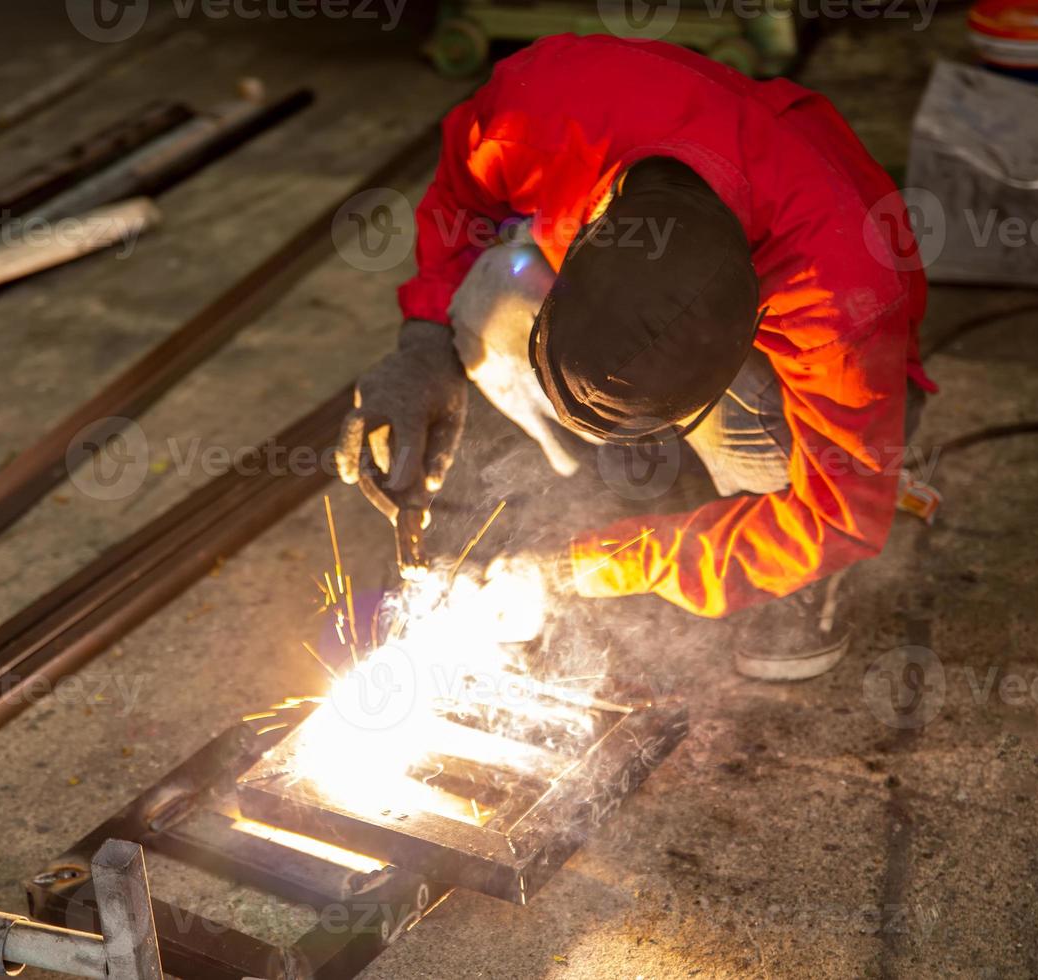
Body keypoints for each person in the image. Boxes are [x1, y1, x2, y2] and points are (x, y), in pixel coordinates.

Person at [336, 33, 935, 681]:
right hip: (621, 204)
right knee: (491, 292)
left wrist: (586, 567)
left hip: (814, 387)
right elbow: (462, 204)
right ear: (596, 229)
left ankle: (774, 549)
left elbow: (840, 514)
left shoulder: (844, 298)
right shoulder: (535, 116)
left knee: (762, 434)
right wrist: (424, 342)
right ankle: (655, 471)